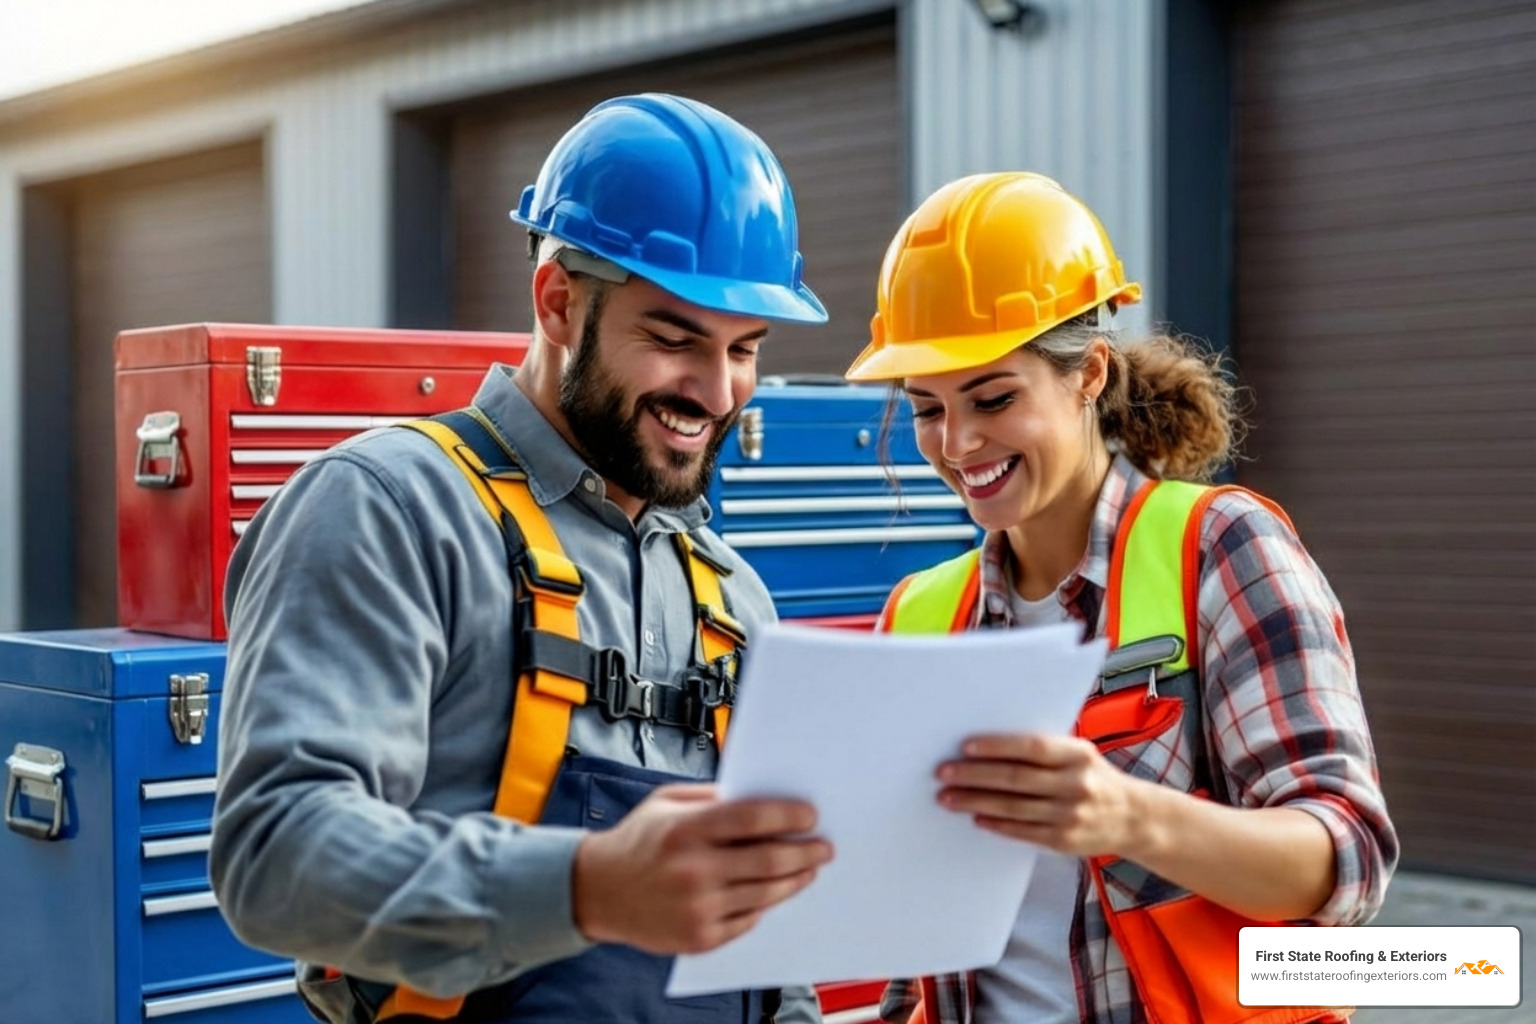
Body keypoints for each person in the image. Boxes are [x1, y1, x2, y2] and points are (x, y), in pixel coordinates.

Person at [211, 94, 834, 1024]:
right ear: (557, 302)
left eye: (745, 350)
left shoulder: (733, 595)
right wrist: (585, 888)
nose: (716, 391)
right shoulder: (390, 510)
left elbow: (769, 951)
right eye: (673, 340)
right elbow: (276, 856)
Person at [844, 172, 1398, 1024]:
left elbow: (1344, 865)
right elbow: (910, 956)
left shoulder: (1221, 550)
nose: (957, 445)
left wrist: (1128, 814)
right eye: (926, 409)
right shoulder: (917, 619)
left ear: (1088, 373)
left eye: (994, 398)